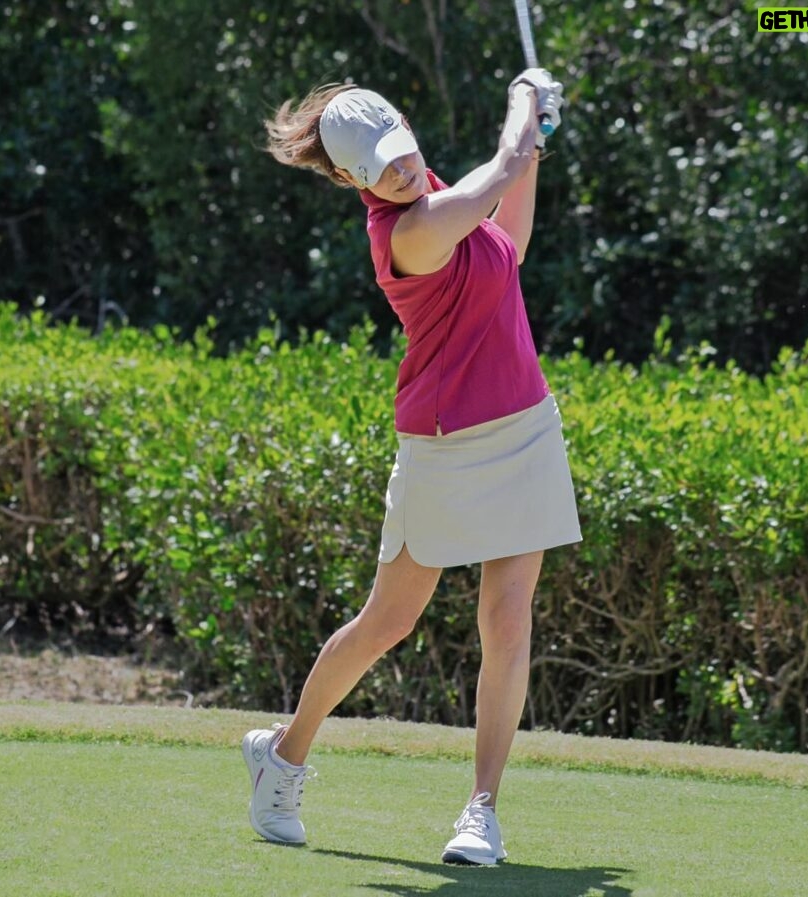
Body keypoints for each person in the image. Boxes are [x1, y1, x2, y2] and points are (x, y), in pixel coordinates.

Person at [243, 69, 580, 866]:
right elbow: (492, 176)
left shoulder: (438, 194)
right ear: (359, 180)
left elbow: (509, 245)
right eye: (384, 168)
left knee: (507, 620)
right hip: (444, 444)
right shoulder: (406, 234)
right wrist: (522, 104)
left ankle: (481, 811)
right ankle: (283, 755)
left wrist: (534, 146)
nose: (401, 169)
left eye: (403, 152)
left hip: (525, 428)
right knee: (388, 621)